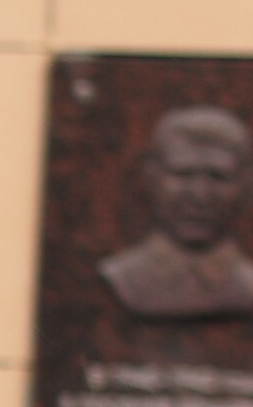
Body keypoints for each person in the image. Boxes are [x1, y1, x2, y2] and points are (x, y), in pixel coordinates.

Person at [102, 104, 253, 320]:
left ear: (245, 186)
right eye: (182, 174)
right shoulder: (123, 278)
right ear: (152, 179)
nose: (200, 196)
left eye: (218, 176)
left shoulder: (247, 285)